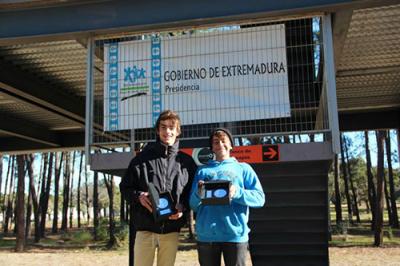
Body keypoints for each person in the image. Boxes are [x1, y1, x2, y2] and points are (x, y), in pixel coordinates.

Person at [120, 110, 197, 266]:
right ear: (157, 130)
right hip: (144, 230)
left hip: (171, 232)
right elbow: (125, 187)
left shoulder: (187, 163)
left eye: (171, 127)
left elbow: (192, 195)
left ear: (178, 131)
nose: (167, 131)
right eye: (163, 127)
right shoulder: (140, 159)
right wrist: (138, 196)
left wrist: (183, 207)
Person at [189, 128, 265, 266]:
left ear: (231, 145)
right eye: (216, 142)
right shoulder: (202, 171)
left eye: (224, 141)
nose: (220, 145)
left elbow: (259, 198)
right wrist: (197, 195)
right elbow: (193, 205)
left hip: (235, 235)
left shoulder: (244, 168)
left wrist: (237, 192)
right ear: (211, 147)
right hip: (207, 236)